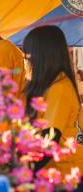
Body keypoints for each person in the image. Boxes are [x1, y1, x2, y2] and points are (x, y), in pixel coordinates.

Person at [22, 25, 83, 189]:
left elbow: (51, 138)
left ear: (41, 57)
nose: (25, 61)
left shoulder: (60, 88)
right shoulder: (52, 85)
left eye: (27, 56)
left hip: (66, 176)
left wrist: (21, 173)